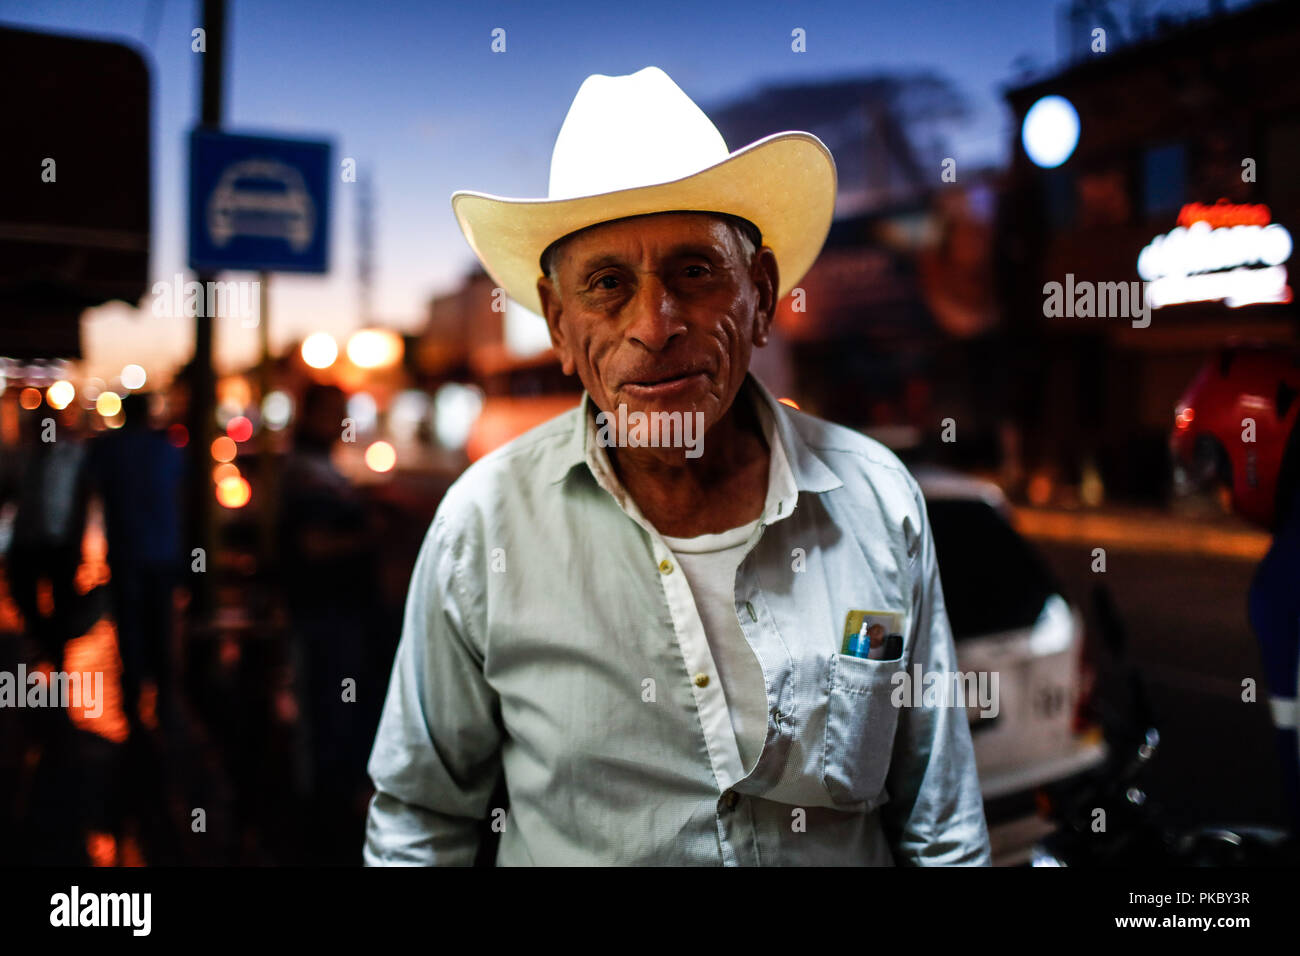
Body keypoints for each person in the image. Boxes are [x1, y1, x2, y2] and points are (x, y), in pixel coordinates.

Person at [364, 66, 990, 865]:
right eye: (607, 286)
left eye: (696, 272)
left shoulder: (876, 500)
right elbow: (419, 823)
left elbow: (941, 826)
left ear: (759, 294)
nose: (654, 327)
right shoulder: (483, 524)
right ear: (558, 325)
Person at [86, 392, 183, 734]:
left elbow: (89, 492)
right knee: (161, 624)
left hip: (127, 553)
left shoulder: (109, 449)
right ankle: (163, 697)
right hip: (163, 552)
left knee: (130, 626)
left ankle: (134, 699)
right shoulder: (167, 450)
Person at [7, 408, 90, 665]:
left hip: (60, 540)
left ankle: (56, 656)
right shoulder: (22, 456)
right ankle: (46, 640)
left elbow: (81, 499)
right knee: (23, 594)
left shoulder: (72, 455)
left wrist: (77, 540)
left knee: (62, 601)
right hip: (28, 539)